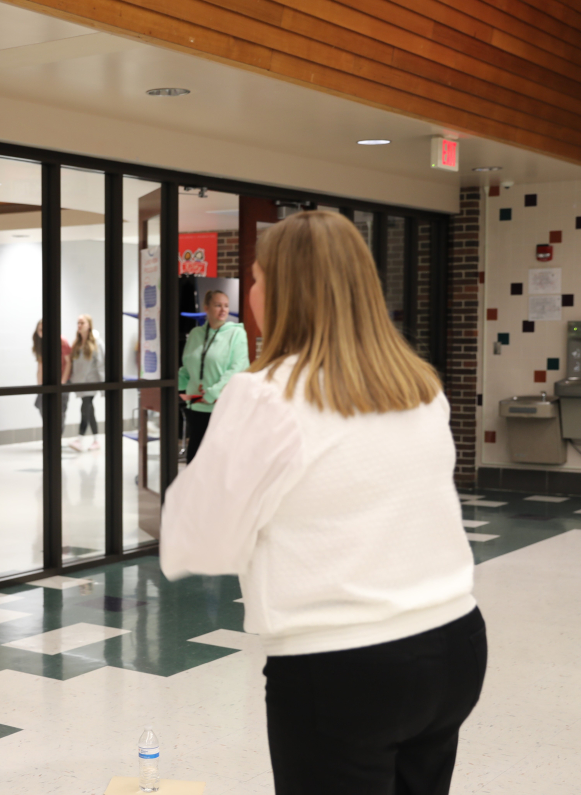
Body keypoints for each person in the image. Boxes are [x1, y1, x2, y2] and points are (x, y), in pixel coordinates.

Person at [161, 211, 486, 795]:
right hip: (454, 643)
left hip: (342, 665)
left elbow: (197, 539)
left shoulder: (266, 395)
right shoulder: (418, 385)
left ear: (286, 292)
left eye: (257, 279)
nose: (250, 292)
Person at [177, 289, 248, 462]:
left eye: (226, 306)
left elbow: (237, 369)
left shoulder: (237, 334)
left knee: (218, 460)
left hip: (221, 405)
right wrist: (180, 390)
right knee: (195, 458)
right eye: (218, 305)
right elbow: (186, 367)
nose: (223, 310)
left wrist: (211, 393)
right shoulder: (195, 334)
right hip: (195, 405)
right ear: (206, 308)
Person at [68, 313, 105, 452]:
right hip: (79, 383)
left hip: (91, 382)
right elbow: (73, 365)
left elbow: (101, 365)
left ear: (89, 325)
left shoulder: (97, 344)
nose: (79, 325)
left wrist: (103, 386)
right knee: (88, 410)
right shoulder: (76, 344)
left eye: (82, 323)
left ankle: (83, 439)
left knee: (86, 407)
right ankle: (92, 440)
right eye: (78, 323)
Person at [32, 319, 72, 433]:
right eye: (40, 329)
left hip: (62, 381)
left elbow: (68, 362)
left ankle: (57, 438)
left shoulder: (61, 340)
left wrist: (63, 382)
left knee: (60, 411)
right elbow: (40, 366)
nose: (43, 332)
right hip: (46, 382)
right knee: (41, 406)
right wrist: (40, 386)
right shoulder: (40, 343)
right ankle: (50, 433)